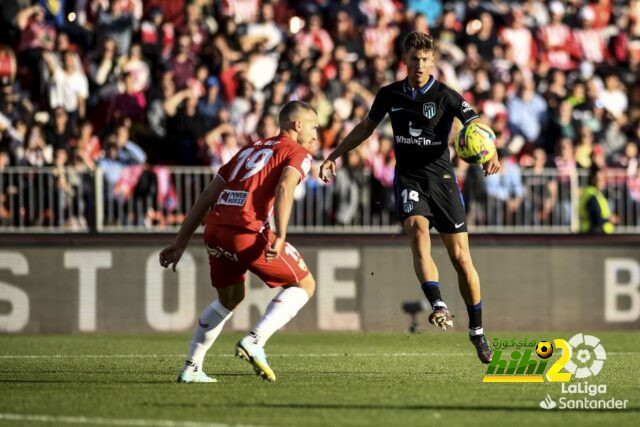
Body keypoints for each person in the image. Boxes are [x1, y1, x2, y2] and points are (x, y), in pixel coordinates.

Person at [320, 32, 500, 364]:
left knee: (461, 258)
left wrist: (492, 154)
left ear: (433, 61)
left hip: (443, 181)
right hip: (409, 178)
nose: (419, 64)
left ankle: (477, 331)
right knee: (417, 231)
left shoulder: (446, 95)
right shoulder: (390, 94)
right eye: (414, 59)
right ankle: (438, 304)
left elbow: (476, 125)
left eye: (425, 59)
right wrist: (335, 155)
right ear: (404, 59)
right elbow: (365, 127)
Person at [159, 101, 317, 382]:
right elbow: (284, 187)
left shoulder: (249, 149)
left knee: (229, 298)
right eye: (314, 127)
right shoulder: (297, 152)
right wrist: (281, 234)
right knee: (305, 283)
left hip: (215, 229)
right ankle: (256, 340)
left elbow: (208, 194)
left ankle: (192, 367)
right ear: (298, 125)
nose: (316, 135)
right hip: (247, 230)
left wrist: (180, 241)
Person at [578, 166, 615, 234]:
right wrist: (609, 219)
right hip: (595, 233)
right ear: (593, 179)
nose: (603, 181)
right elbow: (596, 219)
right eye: (600, 179)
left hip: (593, 232)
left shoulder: (591, 193)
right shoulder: (592, 196)